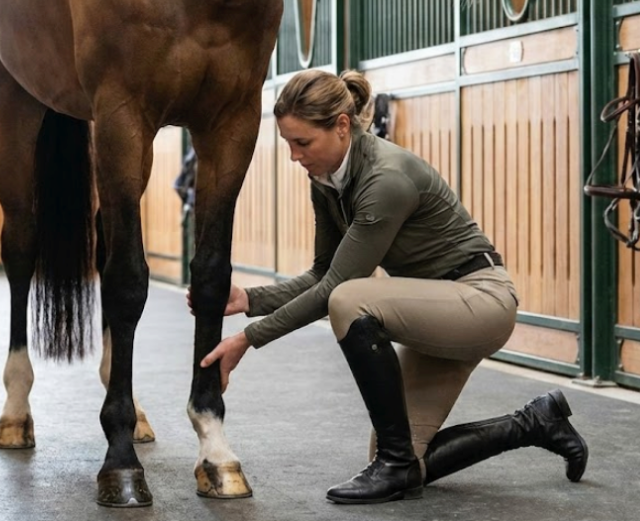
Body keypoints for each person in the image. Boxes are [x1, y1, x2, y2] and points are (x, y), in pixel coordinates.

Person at [191, 69, 588, 505]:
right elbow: (323, 271)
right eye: (288, 143)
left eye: (302, 143)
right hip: (432, 308)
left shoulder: (386, 178)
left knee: (350, 300)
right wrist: (251, 299)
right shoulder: (326, 182)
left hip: (480, 301)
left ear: (342, 125)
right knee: (394, 456)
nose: (294, 156)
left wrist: (248, 339)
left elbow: (337, 288)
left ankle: (396, 464)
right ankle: (535, 422)